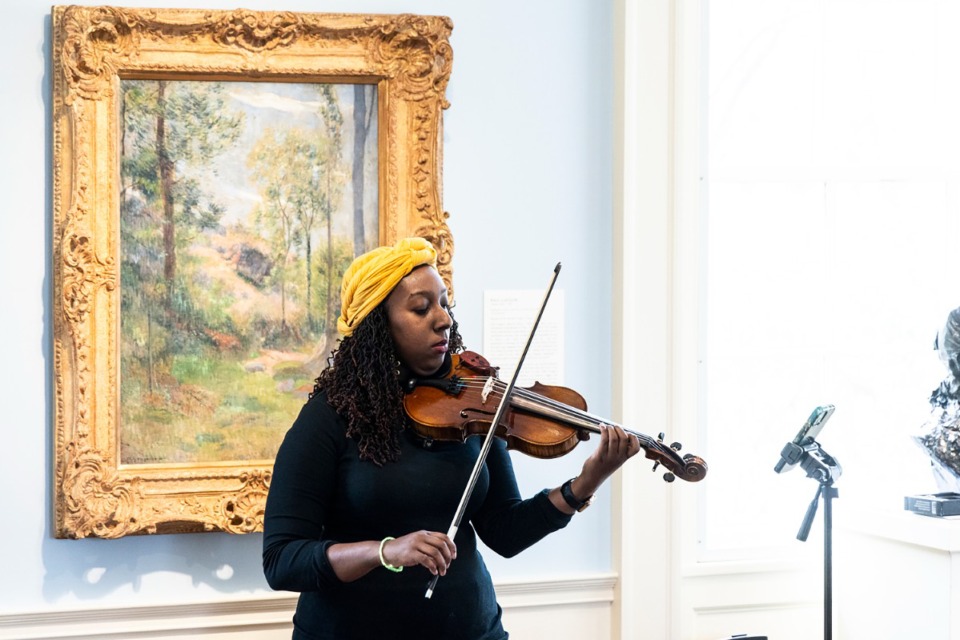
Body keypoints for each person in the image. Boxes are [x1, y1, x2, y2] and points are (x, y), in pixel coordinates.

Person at [262, 237, 640, 639]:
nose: (442, 319)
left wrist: (586, 482)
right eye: (421, 308)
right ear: (378, 324)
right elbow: (283, 560)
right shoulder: (329, 418)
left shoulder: (474, 401)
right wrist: (386, 551)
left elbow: (504, 532)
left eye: (444, 304)